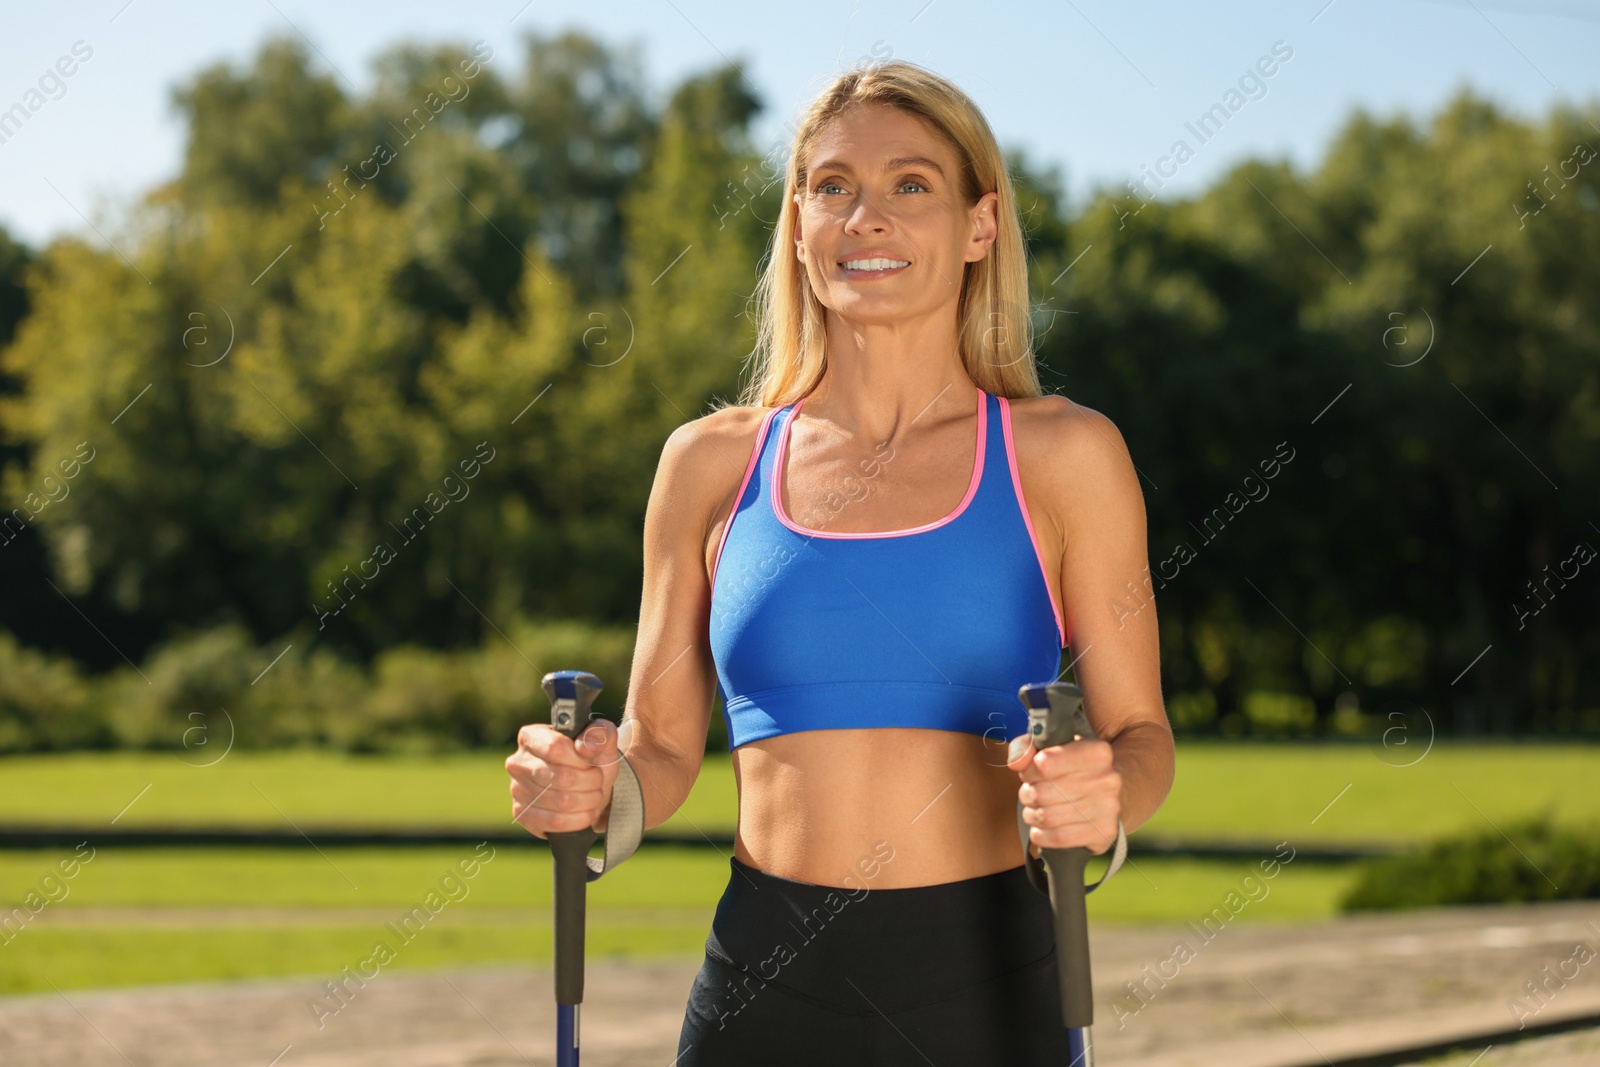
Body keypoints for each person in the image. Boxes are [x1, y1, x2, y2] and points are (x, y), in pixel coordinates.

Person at [505, 59, 1174, 1066]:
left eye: (911, 185)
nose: (866, 217)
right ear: (796, 223)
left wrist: (1106, 790)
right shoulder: (708, 464)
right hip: (761, 986)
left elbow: (1141, 735)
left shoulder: (1065, 454)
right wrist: (591, 791)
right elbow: (662, 747)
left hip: (986, 987)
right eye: (833, 187)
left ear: (979, 226)